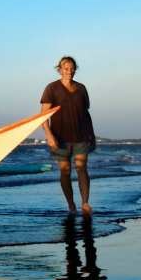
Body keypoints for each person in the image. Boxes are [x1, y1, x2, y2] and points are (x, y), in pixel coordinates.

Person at [40, 56, 96, 215]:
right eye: (66, 68)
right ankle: (71, 205)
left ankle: (85, 203)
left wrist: (91, 135)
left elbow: (85, 113)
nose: (69, 71)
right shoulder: (51, 88)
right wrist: (49, 136)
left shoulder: (81, 88)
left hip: (82, 136)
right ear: (59, 69)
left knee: (81, 168)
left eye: (72, 68)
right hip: (60, 138)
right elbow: (43, 116)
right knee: (65, 171)